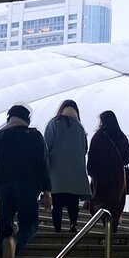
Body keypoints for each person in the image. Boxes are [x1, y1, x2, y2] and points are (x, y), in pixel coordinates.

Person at [0, 104, 52, 258]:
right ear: (27, 119)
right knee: (29, 223)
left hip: (4, 187)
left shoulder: (1, 135)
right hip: (27, 186)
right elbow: (43, 164)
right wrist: (47, 189)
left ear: (9, 118)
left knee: (4, 228)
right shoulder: (35, 136)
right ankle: (15, 246)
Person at [43, 99, 92, 234]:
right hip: (75, 173)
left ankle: (57, 229)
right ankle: (73, 225)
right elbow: (85, 149)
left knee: (57, 203)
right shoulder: (80, 128)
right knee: (73, 202)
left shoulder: (54, 123)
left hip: (57, 173)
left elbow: (46, 146)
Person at [86, 110, 129, 234]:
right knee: (116, 203)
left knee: (100, 203)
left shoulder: (98, 137)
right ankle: (112, 228)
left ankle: (107, 226)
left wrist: (91, 172)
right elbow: (127, 159)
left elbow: (92, 157)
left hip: (101, 176)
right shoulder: (122, 137)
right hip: (119, 176)